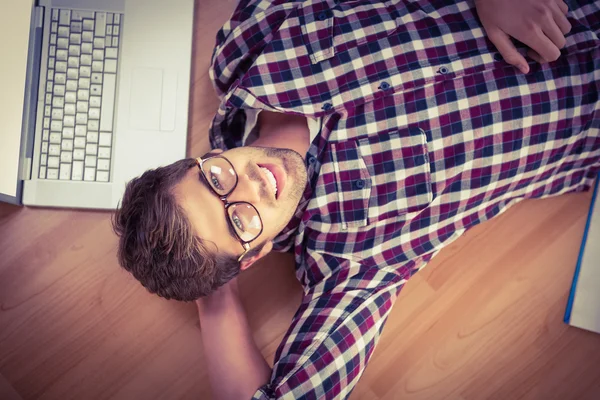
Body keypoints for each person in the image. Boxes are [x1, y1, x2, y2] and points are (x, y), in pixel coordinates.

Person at [112, 0, 600, 398]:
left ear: (202, 158)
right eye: (239, 222)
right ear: (253, 255)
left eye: (216, 178)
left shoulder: (253, 40)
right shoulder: (351, 267)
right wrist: (215, 292)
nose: (252, 185)